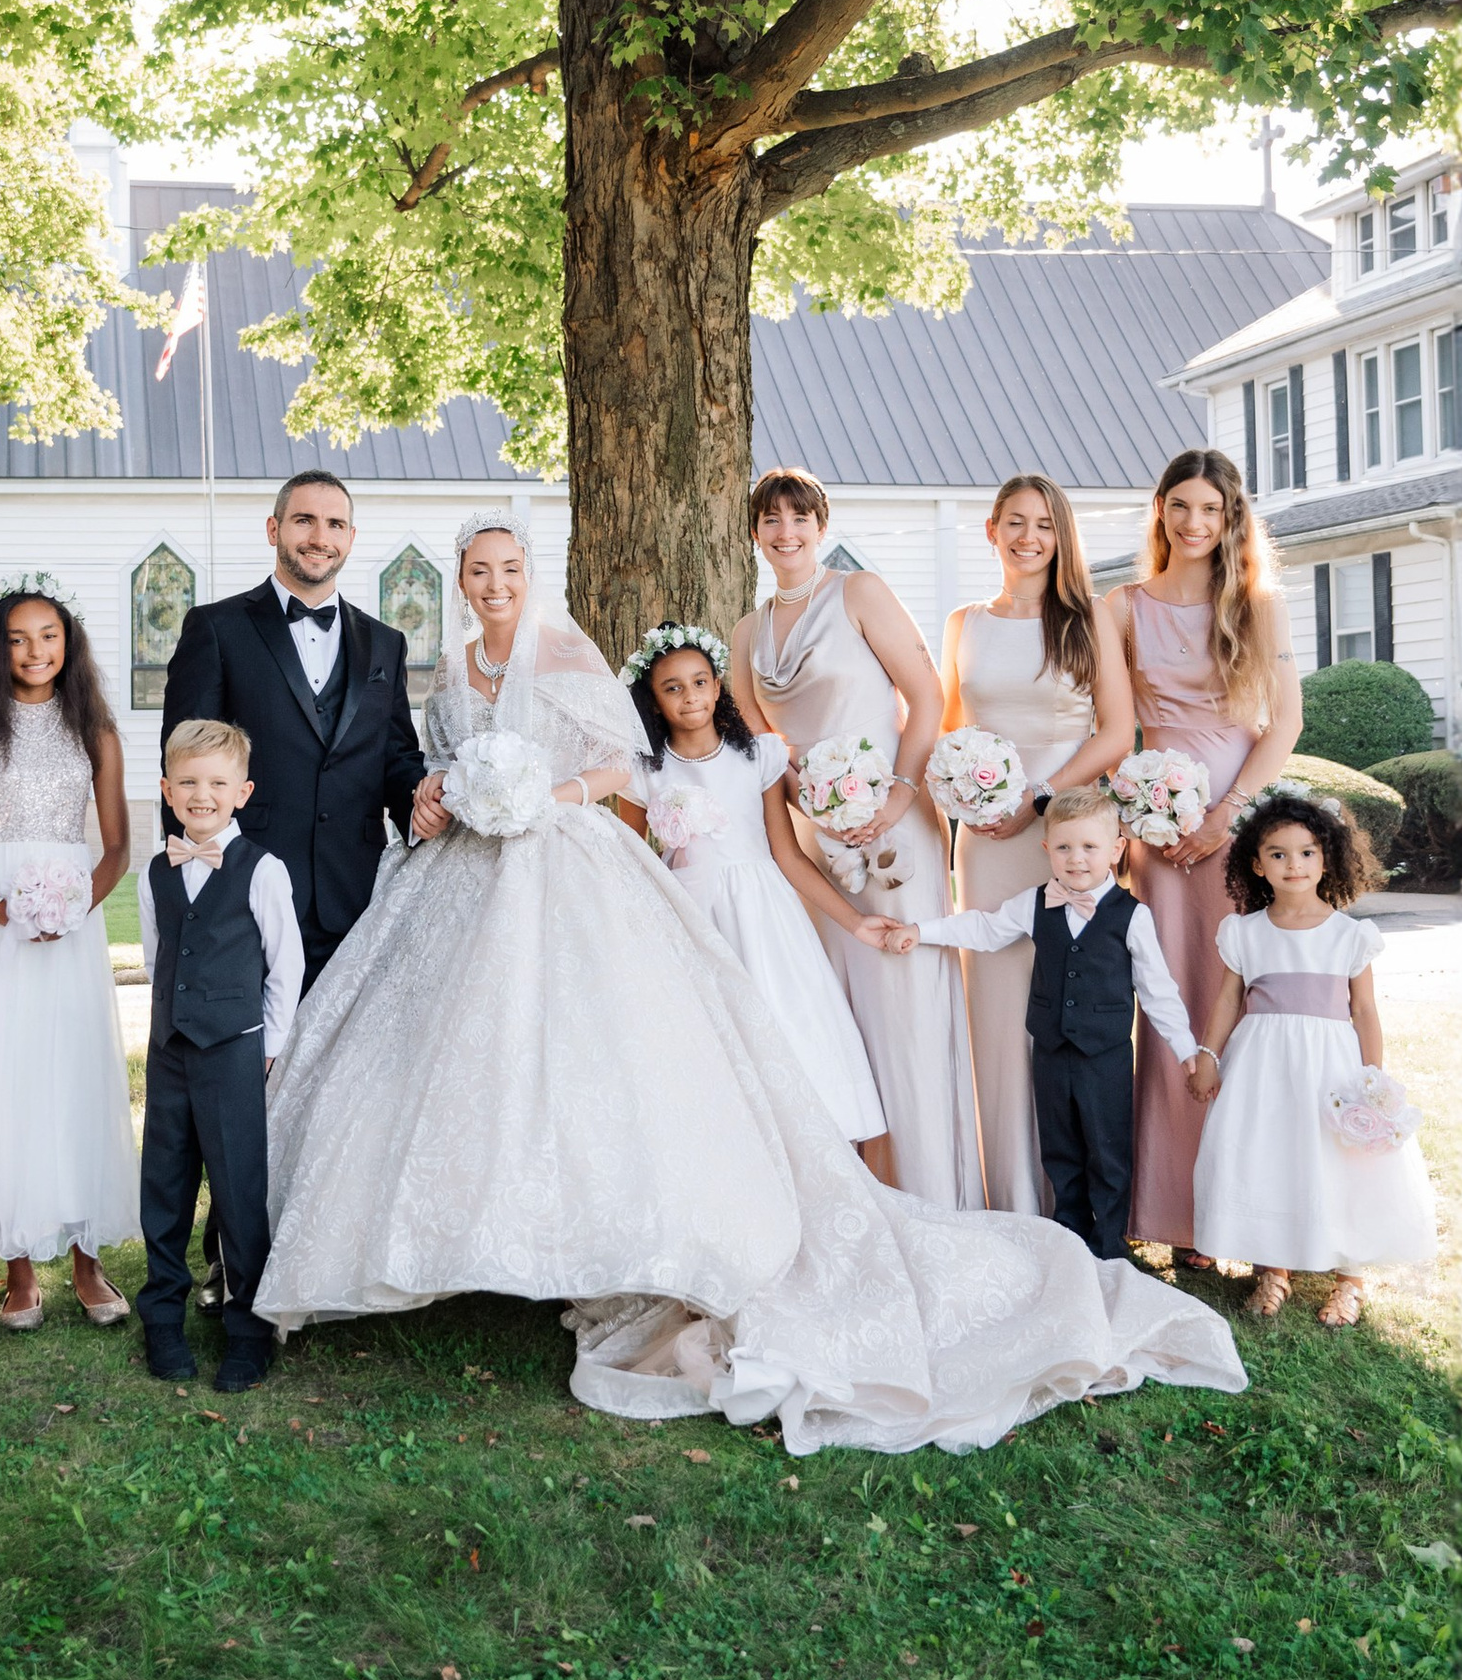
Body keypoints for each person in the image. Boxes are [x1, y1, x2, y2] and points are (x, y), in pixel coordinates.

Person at [257, 510, 1248, 1455]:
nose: (495, 584)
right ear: (462, 584)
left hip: (556, 857)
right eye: (479, 573)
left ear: (531, 577)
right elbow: (435, 759)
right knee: (451, 1052)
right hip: (464, 874)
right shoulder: (449, 670)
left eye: (510, 570)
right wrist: (449, 791)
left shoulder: (564, 654)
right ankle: (455, 1243)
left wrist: (545, 795)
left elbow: (612, 764)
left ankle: (581, 1244)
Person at [728, 468, 984, 1208]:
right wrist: (808, 813)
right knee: (841, 1010)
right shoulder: (747, 634)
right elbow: (761, 743)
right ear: (755, 533)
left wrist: (901, 794)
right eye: (771, 520)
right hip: (817, 847)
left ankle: (936, 1194)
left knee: (905, 1005)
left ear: (821, 524)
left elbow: (927, 693)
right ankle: (867, 1194)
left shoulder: (859, 594)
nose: (786, 533)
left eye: (799, 518)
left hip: (896, 828)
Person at [1097, 449, 1304, 1259]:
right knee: (1171, 1009)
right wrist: (1140, 809)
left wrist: (1228, 814)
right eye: (1178, 506)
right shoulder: (1122, 607)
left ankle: (1257, 1212)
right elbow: (1113, 729)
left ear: (1230, 519)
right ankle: (1179, 1218)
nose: (1192, 523)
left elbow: (1283, 725)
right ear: (1160, 512)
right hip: (1155, 833)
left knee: (1250, 1007)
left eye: (1208, 509)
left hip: (1237, 823)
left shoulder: (1259, 604)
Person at [0, 577, 137, 1333]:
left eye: (48, 635)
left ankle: (86, 1260)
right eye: (17, 638)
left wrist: (77, 905)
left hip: (71, 924)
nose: (35, 650)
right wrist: (1, 908)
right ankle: (16, 1270)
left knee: (72, 1073)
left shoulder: (95, 730)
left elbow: (115, 848)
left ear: (67, 643)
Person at [880, 785, 1203, 1262]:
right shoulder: (1034, 903)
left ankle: (1110, 1246)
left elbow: (1158, 989)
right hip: (1050, 1050)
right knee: (1059, 1149)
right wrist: (921, 931)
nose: (1077, 859)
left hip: (1105, 1056)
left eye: (1090, 847)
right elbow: (983, 929)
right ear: (1046, 848)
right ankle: (1068, 1240)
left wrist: (1186, 1049)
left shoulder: (1131, 916)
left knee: (1107, 1153)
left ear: (1116, 850)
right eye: (1065, 847)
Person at [937, 476, 1136, 1214]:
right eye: (1015, 523)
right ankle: (1007, 1192)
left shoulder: (1088, 621)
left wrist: (1037, 798)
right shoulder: (964, 623)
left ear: (1062, 537)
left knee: (1060, 1007)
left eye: (1045, 526)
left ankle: (1072, 1196)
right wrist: (969, 800)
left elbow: (1116, 732)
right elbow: (951, 730)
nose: (1029, 538)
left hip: (1063, 839)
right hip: (985, 844)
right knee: (992, 1009)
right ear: (991, 529)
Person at [625, 628, 891, 1169]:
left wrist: (856, 922)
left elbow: (788, 856)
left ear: (718, 685)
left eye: (700, 682)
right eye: (672, 688)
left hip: (765, 914)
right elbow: (633, 863)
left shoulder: (759, 757)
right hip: (690, 920)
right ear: (653, 700)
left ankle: (817, 1160)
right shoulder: (646, 771)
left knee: (787, 1023)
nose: (690, 696)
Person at [157, 471, 429, 986]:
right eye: (304, 520)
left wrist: (422, 804)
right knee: (248, 1060)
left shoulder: (385, 644)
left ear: (351, 538)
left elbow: (395, 756)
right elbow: (183, 761)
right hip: (244, 885)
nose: (319, 538)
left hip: (354, 891)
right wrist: (194, 886)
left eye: (335, 524)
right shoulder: (216, 629)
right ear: (273, 529)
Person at [1191, 789, 1436, 1322]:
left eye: (1306, 852)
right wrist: (1209, 1053)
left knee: (1338, 1160)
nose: (1293, 864)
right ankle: (1273, 1268)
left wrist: (1373, 1079)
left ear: (1327, 858)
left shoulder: (1349, 936)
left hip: (1330, 1067)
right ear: (1256, 865)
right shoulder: (1244, 932)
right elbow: (1230, 997)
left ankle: (1350, 1277)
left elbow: (1365, 1012)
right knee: (1268, 1153)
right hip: (1261, 1066)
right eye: (1278, 853)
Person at [137, 718, 303, 1395]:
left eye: (216, 783)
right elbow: (155, 956)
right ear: (168, 791)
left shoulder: (263, 870)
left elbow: (284, 967)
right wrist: (167, 1022)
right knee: (165, 1188)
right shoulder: (157, 869)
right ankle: (162, 1320)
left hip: (235, 1050)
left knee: (239, 1193)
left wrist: (267, 1045)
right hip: (171, 1051)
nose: (201, 795)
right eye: (188, 783)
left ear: (242, 792)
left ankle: (248, 1330)